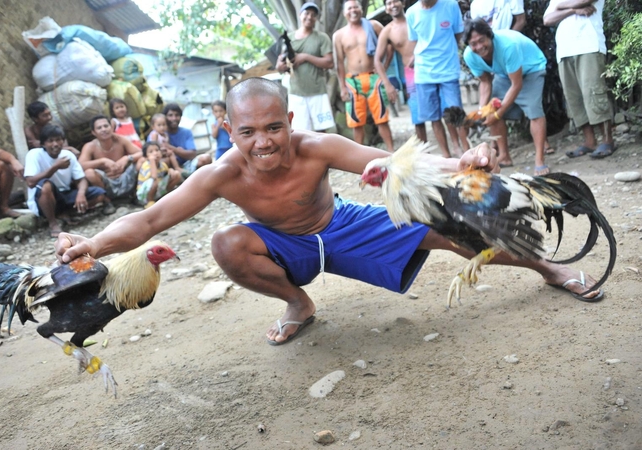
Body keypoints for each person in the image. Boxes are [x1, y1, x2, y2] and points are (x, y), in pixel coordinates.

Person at [55, 78, 603, 346]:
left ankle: (548, 268)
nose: (265, 142)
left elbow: (392, 162)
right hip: (284, 246)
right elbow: (150, 220)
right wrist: (95, 244)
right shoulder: (220, 173)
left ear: (289, 119)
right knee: (227, 242)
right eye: (248, 132)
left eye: (274, 128)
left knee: (456, 233)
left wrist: (465, 159)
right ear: (229, 131)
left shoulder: (316, 146)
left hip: (341, 225)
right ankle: (298, 303)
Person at [462, 18, 550, 174]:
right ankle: (504, 156)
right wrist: (483, 111)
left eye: (482, 40)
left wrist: (498, 113)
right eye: (473, 44)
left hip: (531, 69)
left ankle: (539, 161)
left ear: (490, 36)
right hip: (504, 73)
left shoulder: (508, 46)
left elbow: (516, 85)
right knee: (491, 112)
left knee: (534, 112)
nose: (479, 47)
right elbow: (485, 83)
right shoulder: (469, 55)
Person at [544, 0, 614, 159]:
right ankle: (589, 142)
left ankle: (607, 140)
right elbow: (547, 19)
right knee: (574, 98)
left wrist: (562, 6)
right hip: (564, 51)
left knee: (595, 92)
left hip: (589, 45)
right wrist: (574, 10)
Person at [406, 0, 470, 158]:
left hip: (448, 68)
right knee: (433, 117)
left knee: (456, 113)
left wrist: (447, 51)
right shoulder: (411, 13)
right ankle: (446, 155)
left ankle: (466, 150)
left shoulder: (451, 5)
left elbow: (458, 34)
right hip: (424, 71)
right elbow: (417, 40)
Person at [24, 124, 107, 238]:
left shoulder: (68, 155)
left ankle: (66, 214)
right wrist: (55, 167)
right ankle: (53, 223)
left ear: (63, 142)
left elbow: (81, 179)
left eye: (58, 140)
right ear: (43, 143)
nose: (55, 144)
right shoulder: (34, 155)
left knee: (99, 195)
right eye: (50, 141)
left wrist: (81, 194)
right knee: (45, 185)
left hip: (65, 195)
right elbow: (30, 182)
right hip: (45, 199)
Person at [333, 0, 394, 151]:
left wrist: (383, 68)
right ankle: (359, 155)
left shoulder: (373, 25)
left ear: (361, 9)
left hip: (374, 77)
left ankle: (391, 152)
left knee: (382, 119)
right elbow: (339, 63)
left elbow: (389, 45)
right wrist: (342, 87)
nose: (353, 10)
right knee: (356, 122)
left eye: (356, 7)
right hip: (353, 81)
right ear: (344, 13)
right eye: (349, 8)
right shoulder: (339, 35)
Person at [275, 2, 336, 133]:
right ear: (300, 15)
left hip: (317, 90)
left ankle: (322, 154)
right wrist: (282, 65)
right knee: (299, 131)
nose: (309, 17)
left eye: (313, 15)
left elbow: (329, 63)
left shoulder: (322, 38)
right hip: (296, 92)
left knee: (321, 130)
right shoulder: (289, 38)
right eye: (307, 13)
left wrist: (305, 57)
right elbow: (279, 66)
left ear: (317, 19)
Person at [375, 0, 428, 143]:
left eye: (395, 1)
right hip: (410, 74)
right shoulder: (388, 31)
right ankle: (424, 150)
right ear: (386, 9)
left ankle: (455, 146)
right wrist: (387, 84)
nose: (393, 5)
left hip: (430, 66)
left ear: (402, 3)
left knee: (444, 109)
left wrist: (418, 55)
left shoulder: (417, 17)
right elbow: (377, 60)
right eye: (389, 3)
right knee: (418, 117)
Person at [79, 115, 142, 208]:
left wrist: (127, 158)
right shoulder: (90, 146)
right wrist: (102, 161)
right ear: (93, 132)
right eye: (99, 128)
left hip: (125, 178)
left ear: (111, 127)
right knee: (89, 173)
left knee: (142, 161)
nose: (104, 129)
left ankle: (136, 195)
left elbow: (142, 153)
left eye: (106, 126)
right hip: (107, 183)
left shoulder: (120, 140)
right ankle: (107, 202)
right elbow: (80, 165)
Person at [162, 103, 212, 177]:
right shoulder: (160, 134)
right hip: (170, 168)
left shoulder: (186, 132)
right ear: (165, 117)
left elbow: (192, 154)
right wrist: (180, 152)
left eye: (177, 115)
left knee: (206, 158)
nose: (174, 118)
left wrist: (173, 149)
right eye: (170, 115)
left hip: (187, 165)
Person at [136, 142, 182, 209]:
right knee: (154, 180)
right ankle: (150, 201)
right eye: (151, 152)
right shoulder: (146, 165)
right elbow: (153, 177)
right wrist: (152, 161)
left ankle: (165, 197)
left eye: (157, 150)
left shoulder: (162, 165)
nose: (155, 153)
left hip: (157, 190)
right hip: (144, 195)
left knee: (176, 174)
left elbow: (167, 174)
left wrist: (171, 170)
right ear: (146, 156)